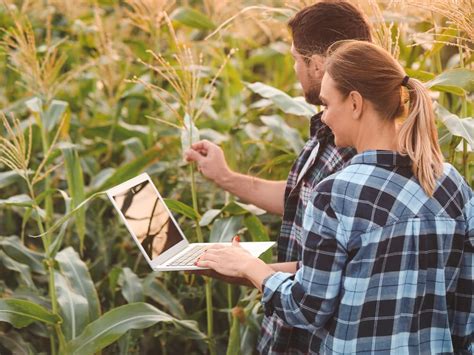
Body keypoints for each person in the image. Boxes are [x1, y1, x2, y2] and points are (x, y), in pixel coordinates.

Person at [196, 40, 474, 354]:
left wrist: (251, 268)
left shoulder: (335, 194)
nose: (324, 118)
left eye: (327, 104)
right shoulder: (453, 185)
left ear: (355, 103)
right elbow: (466, 306)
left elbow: (306, 309)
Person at [185, 2, 372, 352]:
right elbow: (300, 201)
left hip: (315, 334)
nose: (294, 69)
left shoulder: (357, 147)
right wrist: (225, 177)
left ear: (317, 65)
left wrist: (248, 270)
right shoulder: (329, 129)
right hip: (288, 325)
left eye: (296, 60)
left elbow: (338, 268)